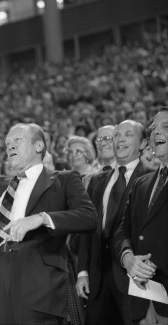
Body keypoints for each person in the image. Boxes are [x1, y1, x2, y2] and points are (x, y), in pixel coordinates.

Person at [0, 124, 97, 324]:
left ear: (39, 145)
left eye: (18, 140)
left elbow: (88, 217)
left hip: (41, 277)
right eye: (8, 143)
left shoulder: (64, 180)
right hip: (3, 271)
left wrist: (42, 218)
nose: (10, 146)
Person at [76, 120, 149, 325]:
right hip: (97, 277)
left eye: (128, 134)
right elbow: (87, 229)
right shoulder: (97, 181)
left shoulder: (150, 178)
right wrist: (83, 271)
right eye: (117, 135)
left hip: (133, 277)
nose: (120, 139)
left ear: (143, 143)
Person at [114, 109, 168, 324]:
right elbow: (122, 230)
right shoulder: (142, 183)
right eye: (153, 128)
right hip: (144, 298)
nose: (156, 132)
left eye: (165, 127)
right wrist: (128, 258)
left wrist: (153, 263)